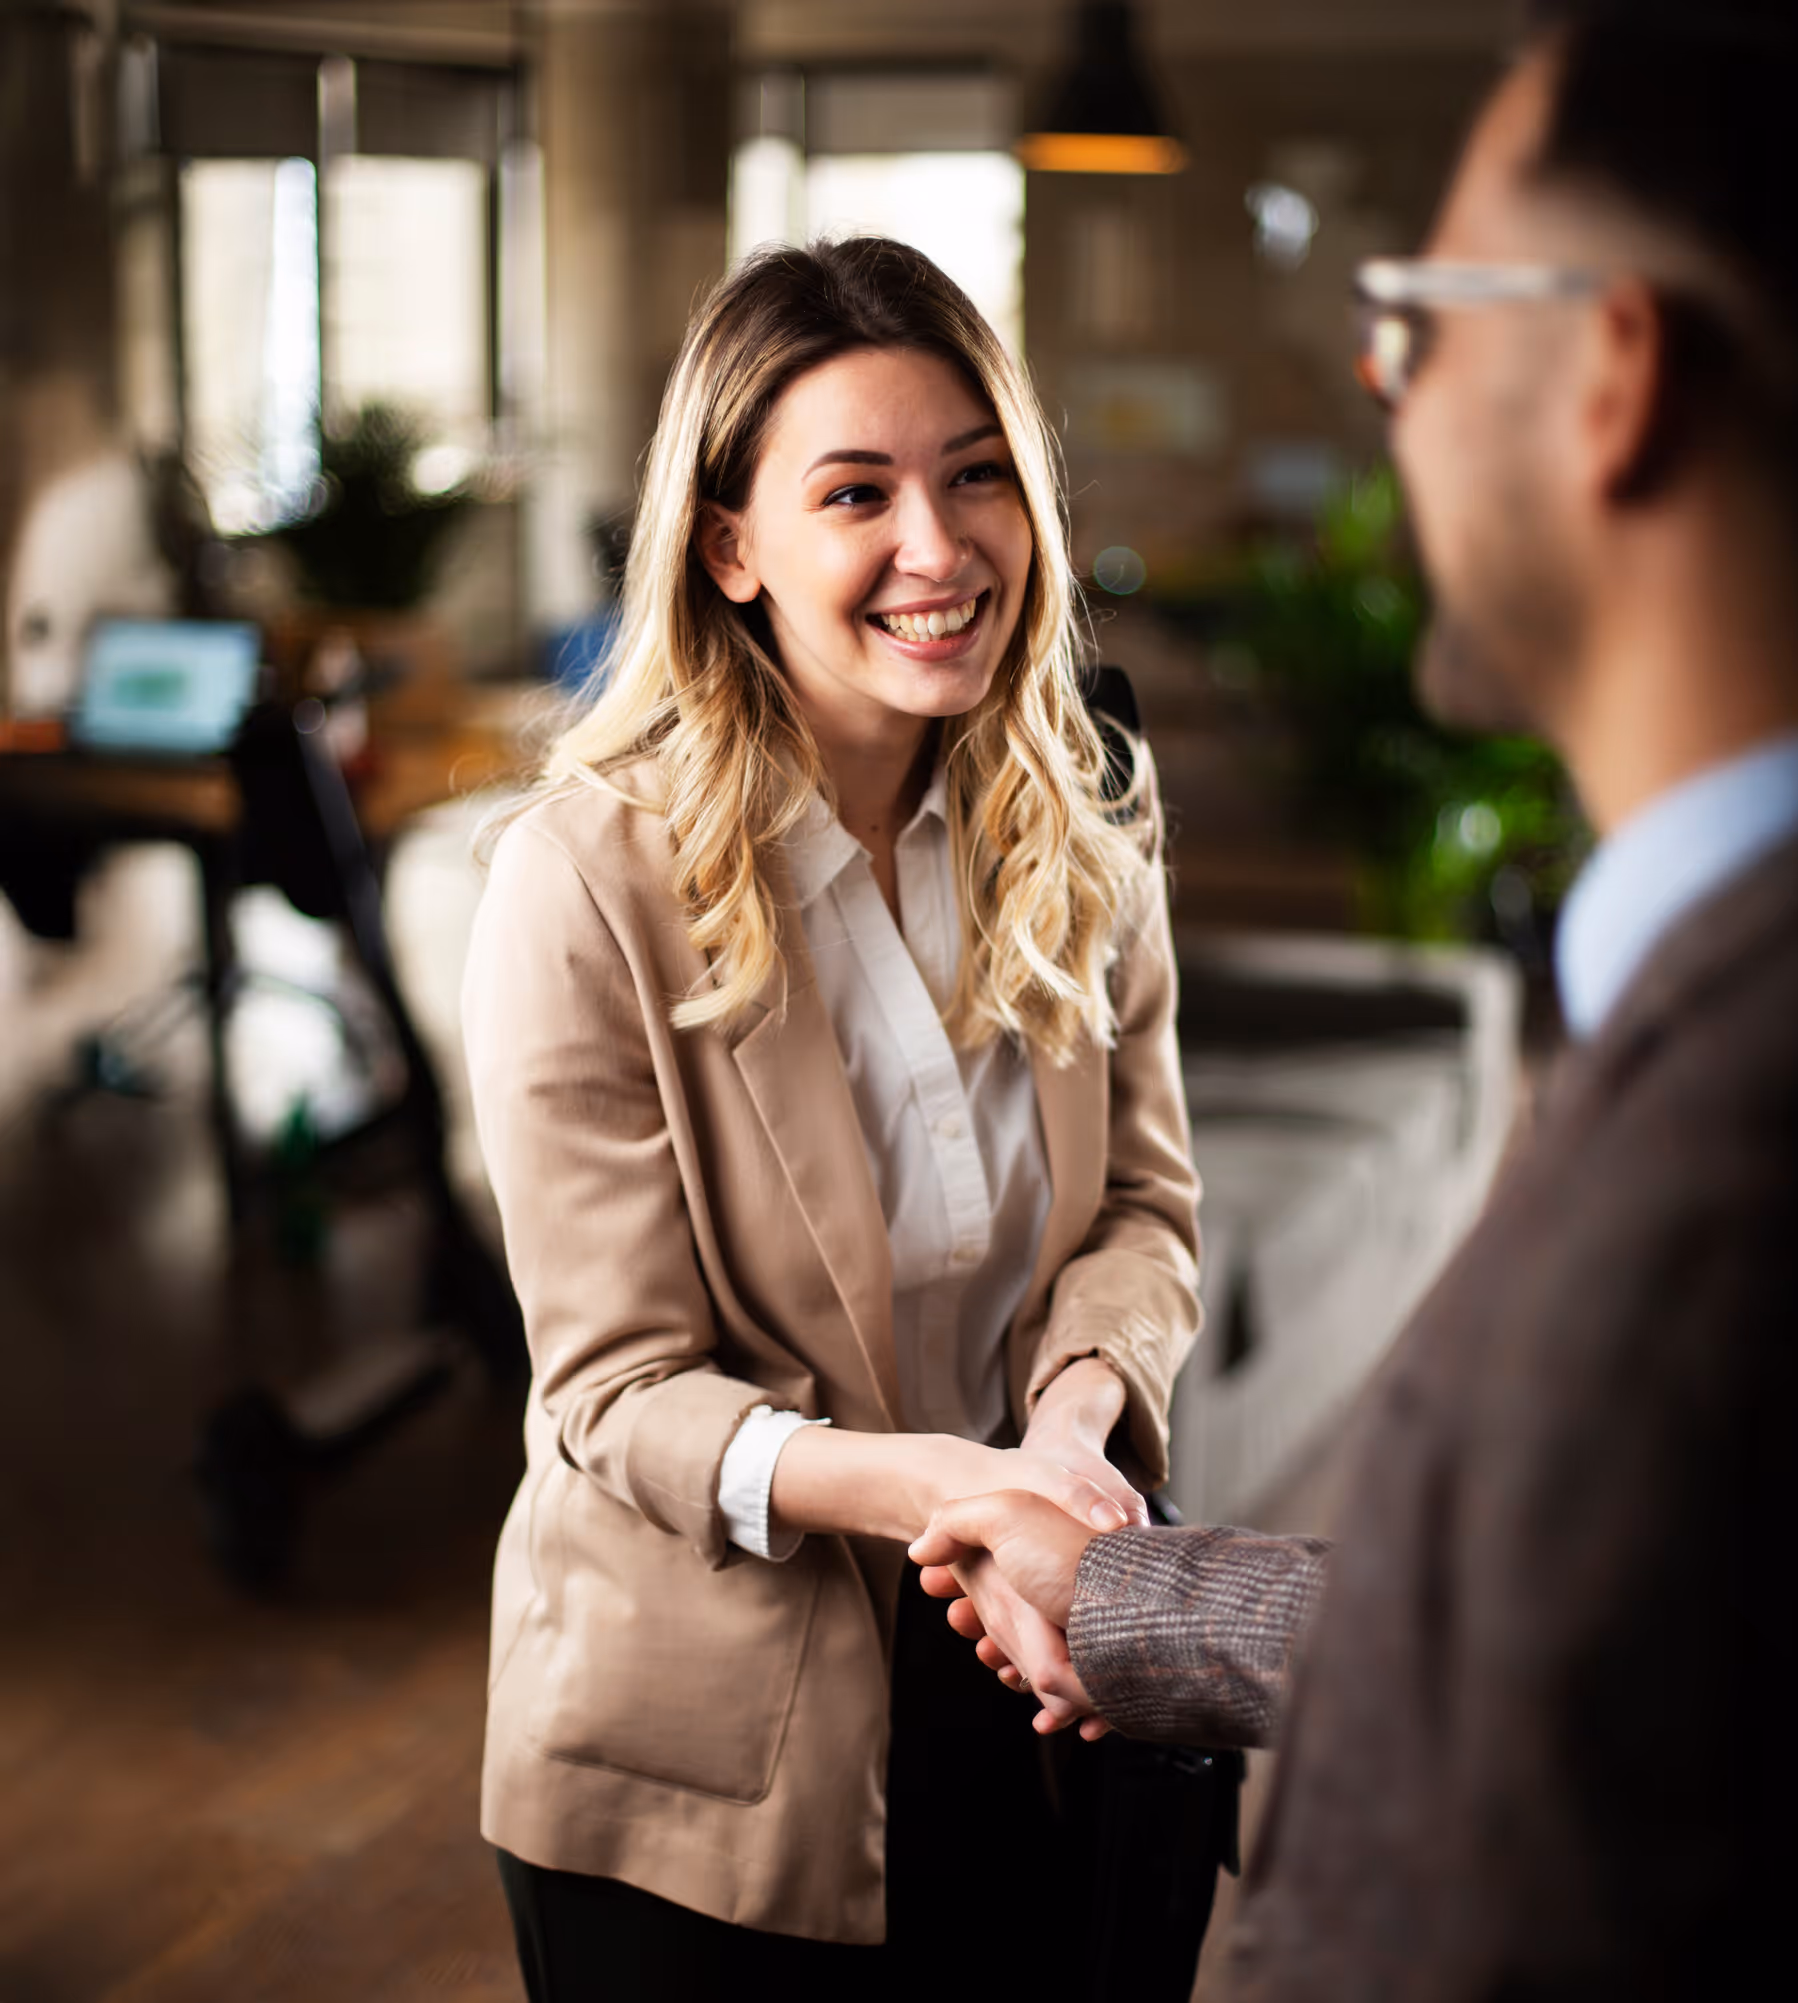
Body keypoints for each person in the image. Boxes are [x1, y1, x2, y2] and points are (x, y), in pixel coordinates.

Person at [911, 3, 1798, 1995]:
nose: (1386, 398)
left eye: (1421, 326)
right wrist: (1126, 1596)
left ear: (1613, 375)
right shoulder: (1734, 998)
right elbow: (1623, 1628)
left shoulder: (1779, 1148)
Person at [460, 236, 1208, 1999]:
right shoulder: (583, 882)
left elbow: (1146, 1216)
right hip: (709, 1728)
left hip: (1042, 1642)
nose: (939, 550)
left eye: (976, 478)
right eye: (855, 492)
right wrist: (960, 1481)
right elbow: (617, 1396)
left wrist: (1074, 1437)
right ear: (732, 547)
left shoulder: (1088, 806)